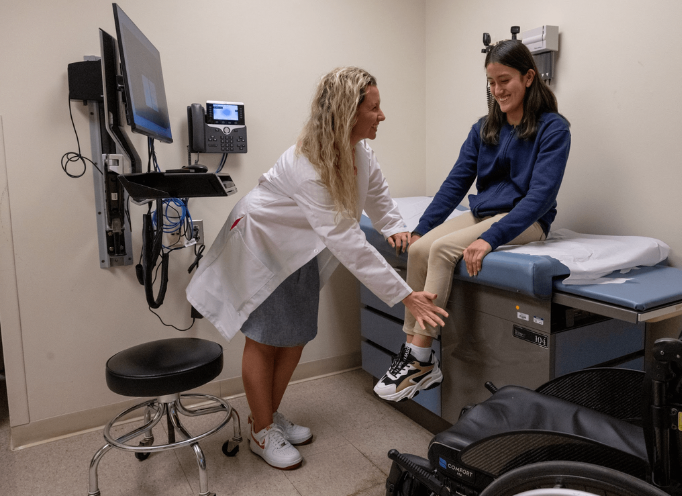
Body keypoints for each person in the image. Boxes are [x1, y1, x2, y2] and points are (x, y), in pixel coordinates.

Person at [186, 67, 447, 470]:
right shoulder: (309, 166)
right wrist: (405, 295)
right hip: (265, 246)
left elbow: (375, 192)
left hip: (302, 250)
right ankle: (261, 432)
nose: (382, 115)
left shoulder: (359, 150)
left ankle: (265, 417)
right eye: (374, 108)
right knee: (265, 337)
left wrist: (395, 227)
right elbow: (347, 241)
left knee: (295, 336)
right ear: (348, 113)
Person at [373, 40, 571, 402]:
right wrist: (422, 228)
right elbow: (454, 185)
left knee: (445, 250)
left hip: (528, 219)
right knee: (420, 249)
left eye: (504, 80)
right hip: (484, 211)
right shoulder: (484, 129)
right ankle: (413, 353)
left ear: (529, 77)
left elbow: (540, 197)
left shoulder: (553, 129)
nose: (497, 91)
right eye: (491, 83)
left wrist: (491, 238)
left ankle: (420, 356)